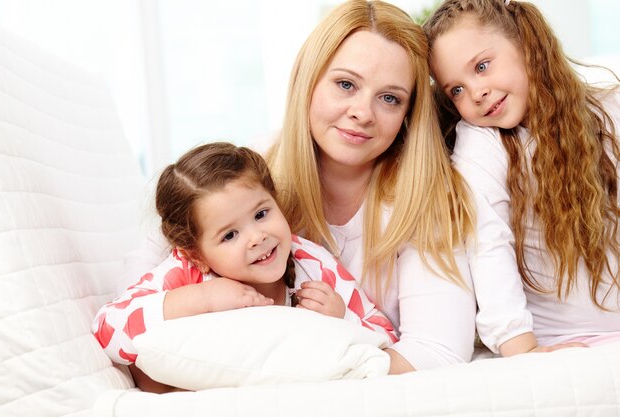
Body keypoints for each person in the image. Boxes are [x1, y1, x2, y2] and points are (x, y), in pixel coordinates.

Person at [119, 0, 486, 379]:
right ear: (308, 81)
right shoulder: (252, 172)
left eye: (390, 98)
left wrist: (327, 350)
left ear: (408, 114)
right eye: (345, 84)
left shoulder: (426, 200)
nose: (363, 112)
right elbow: (144, 280)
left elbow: (436, 353)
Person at [93, 142, 398, 393]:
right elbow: (107, 328)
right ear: (196, 253)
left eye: (262, 213)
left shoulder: (311, 262)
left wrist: (341, 316)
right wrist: (204, 298)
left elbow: (387, 336)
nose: (257, 237)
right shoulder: (188, 272)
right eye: (230, 235)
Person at [423, 0, 620, 349]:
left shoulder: (609, 109)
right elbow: (488, 243)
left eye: (482, 66)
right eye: (457, 90)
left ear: (525, 45)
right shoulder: (483, 143)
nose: (476, 93)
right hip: (563, 339)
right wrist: (521, 346)